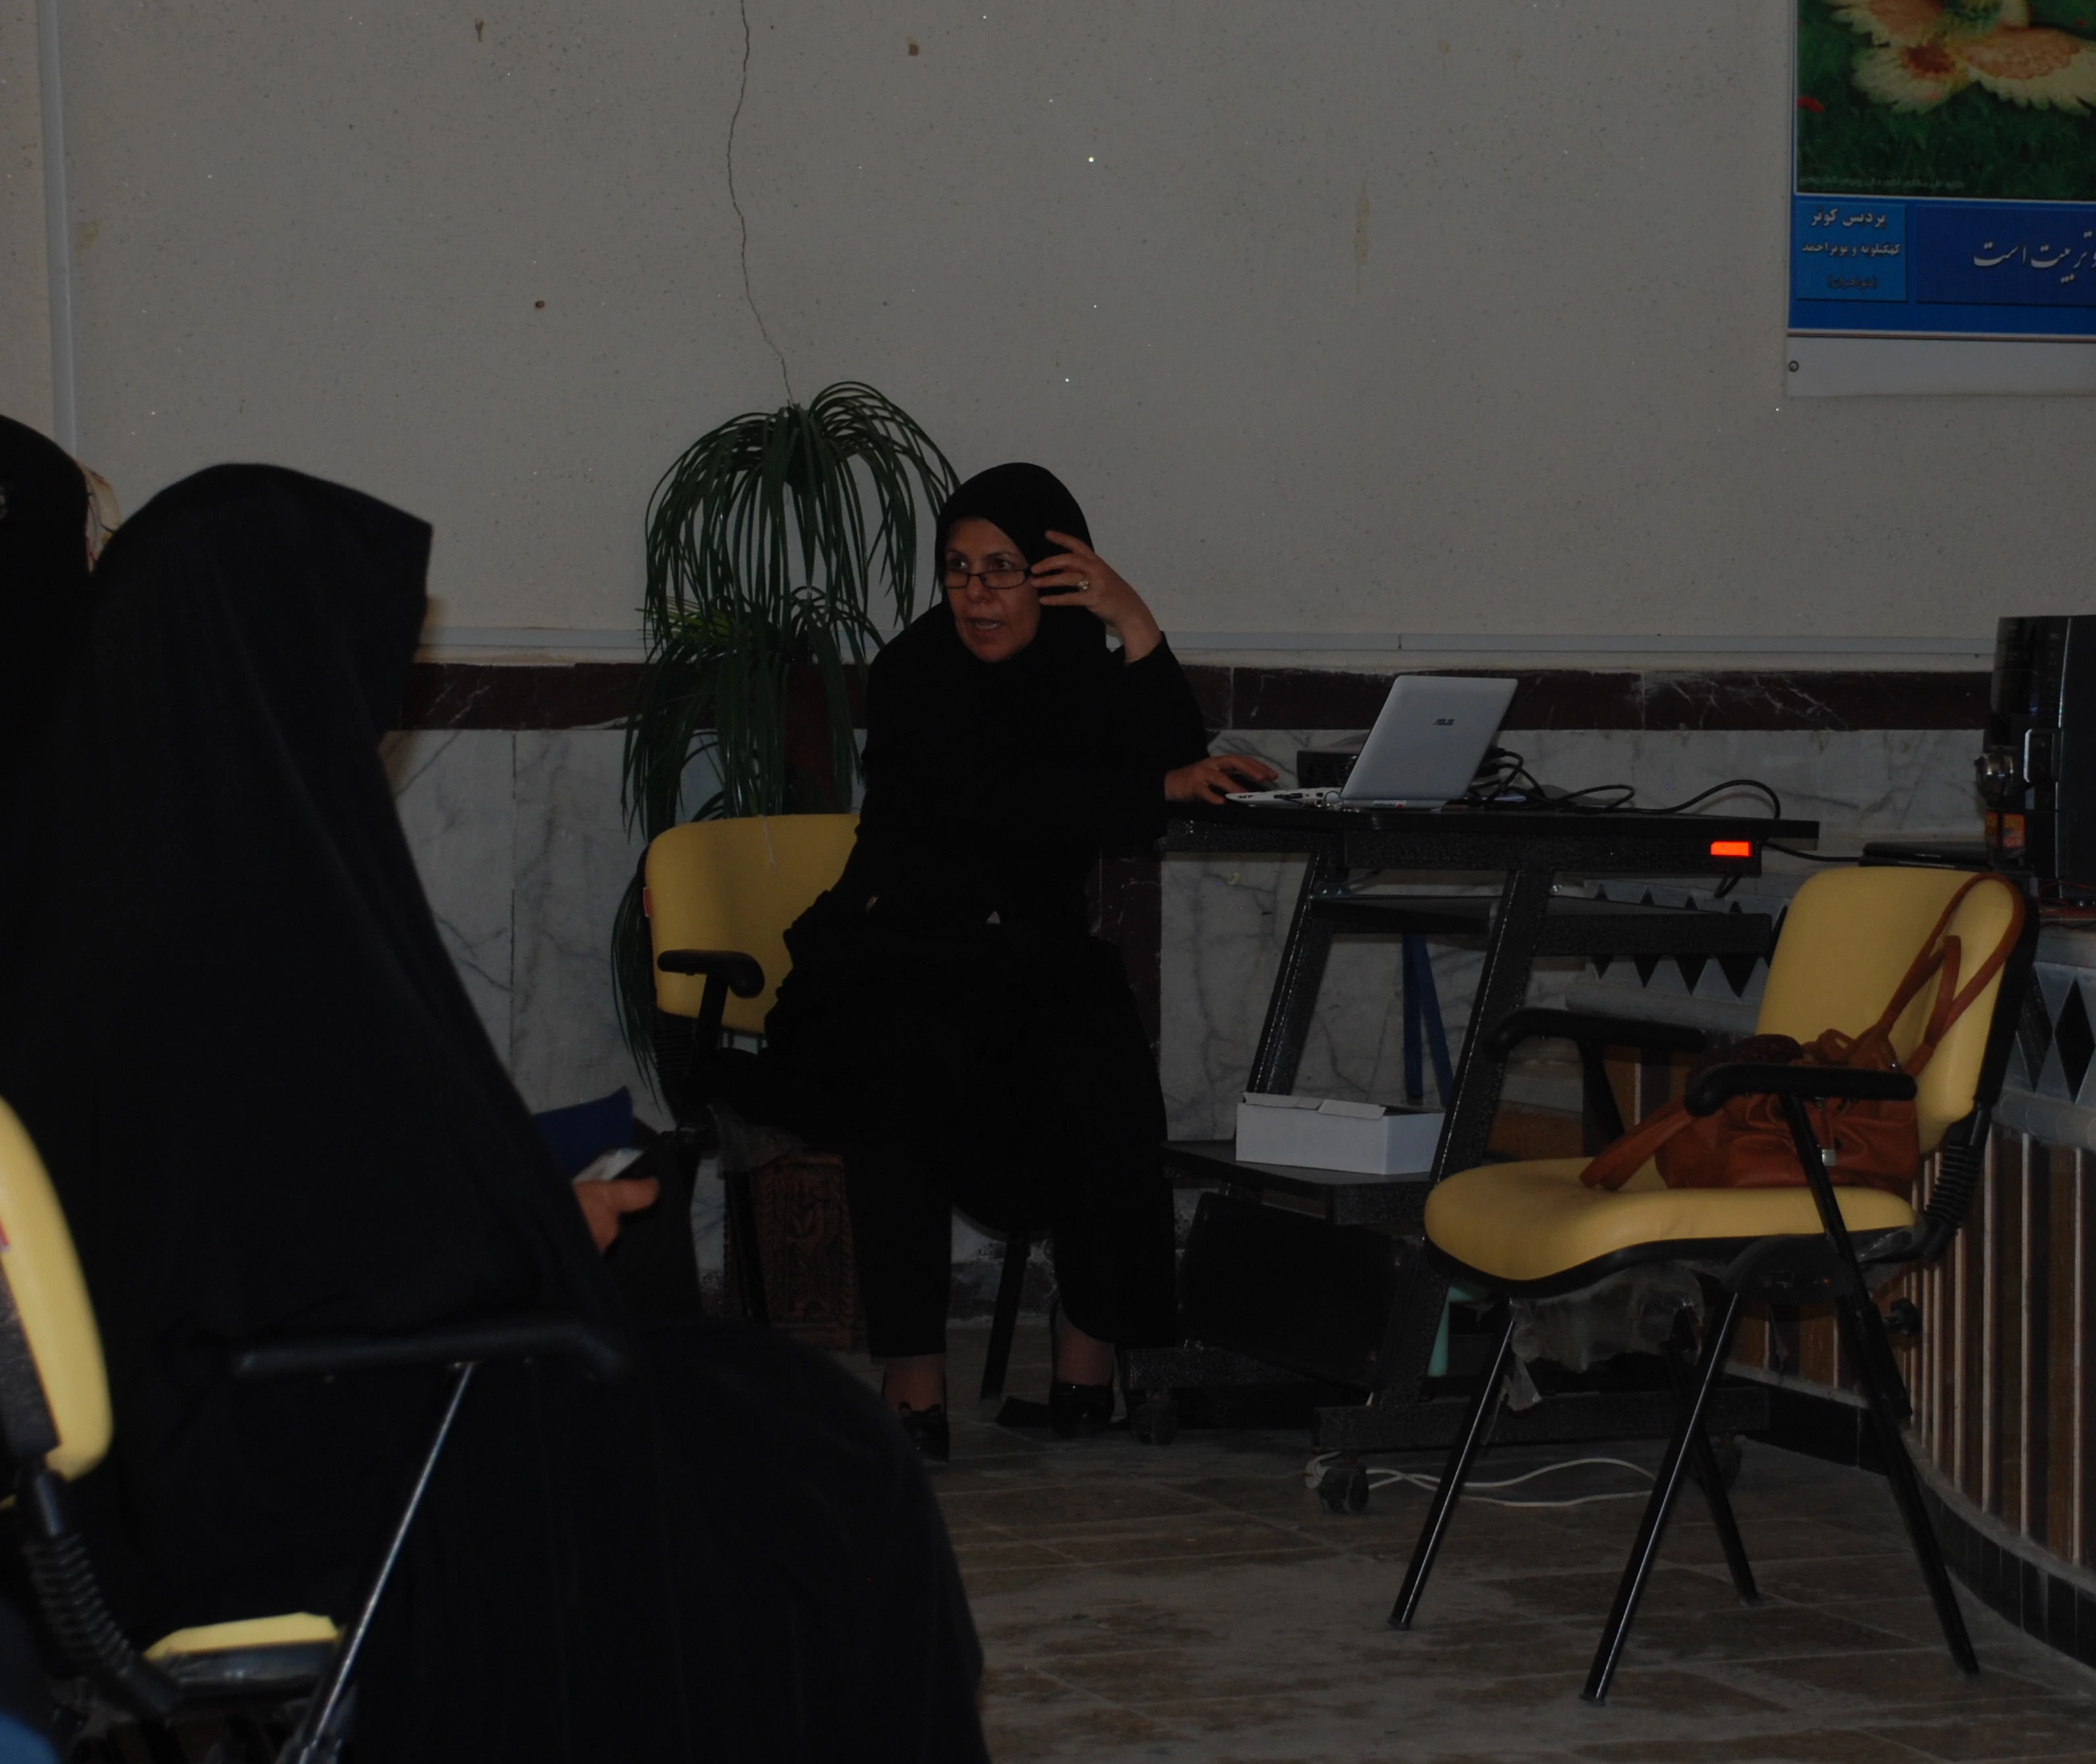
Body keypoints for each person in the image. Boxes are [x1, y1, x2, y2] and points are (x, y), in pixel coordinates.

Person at [0, 465, 987, 1761]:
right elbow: (280, 1262)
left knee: (761, 1415)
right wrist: (543, 1234)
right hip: (284, 1474)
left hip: (193, 1455)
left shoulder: (116, 883)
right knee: (817, 1461)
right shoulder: (228, 924)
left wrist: (507, 1216)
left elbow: (272, 1217)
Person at [739, 464, 1270, 1459]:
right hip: (892, 945)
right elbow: (996, 803)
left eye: (1003, 569)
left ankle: (1089, 1341)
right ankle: (913, 1369)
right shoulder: (913, 670)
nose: (976, 594)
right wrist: (1153, 783)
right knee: (901, 1061)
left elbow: (1171, 761)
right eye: (957, 569)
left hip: (1022, 952)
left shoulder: (1078, 669)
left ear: (1057, 578)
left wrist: (1133, 619)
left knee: (1104, 1057)